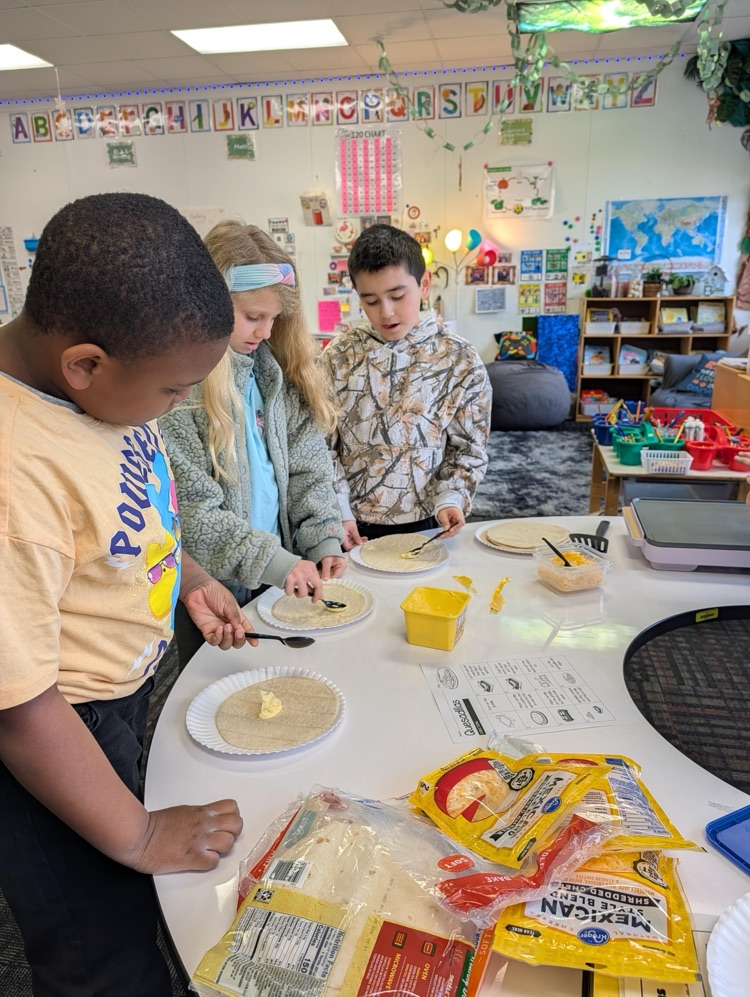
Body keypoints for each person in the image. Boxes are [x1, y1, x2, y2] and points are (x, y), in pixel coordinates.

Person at [0, 193, 255, 997]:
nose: (179, 405)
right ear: (85, 363)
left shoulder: (97, 389)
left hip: (112, 699)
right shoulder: (14, 474)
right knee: (99, 951)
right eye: (173, 392)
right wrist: (141, 831)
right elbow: (22, 710)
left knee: (135, 900)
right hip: (54, 737)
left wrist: (192, 578)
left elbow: (127, 513)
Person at [161, 221, 346, 666]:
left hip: (279, 570)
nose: (265, 331)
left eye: (274, 319)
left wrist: (323, 539)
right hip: (214, 587)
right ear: (207, 304)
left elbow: (309, 468)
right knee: (222, 691)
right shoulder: (181, 393)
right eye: (252, 317)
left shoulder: (275, 373)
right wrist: (278, 563)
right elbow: (197, 516)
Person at [323, 223, 492, 548]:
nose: (386, 312)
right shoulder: (338, 356)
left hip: (429, 520)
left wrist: (452, 497)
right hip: (353, 524)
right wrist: (338, 509)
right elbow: (321, 444)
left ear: (424, 284)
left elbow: (469, 445)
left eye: (397, 296)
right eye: (370, 301)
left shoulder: (459, 358)